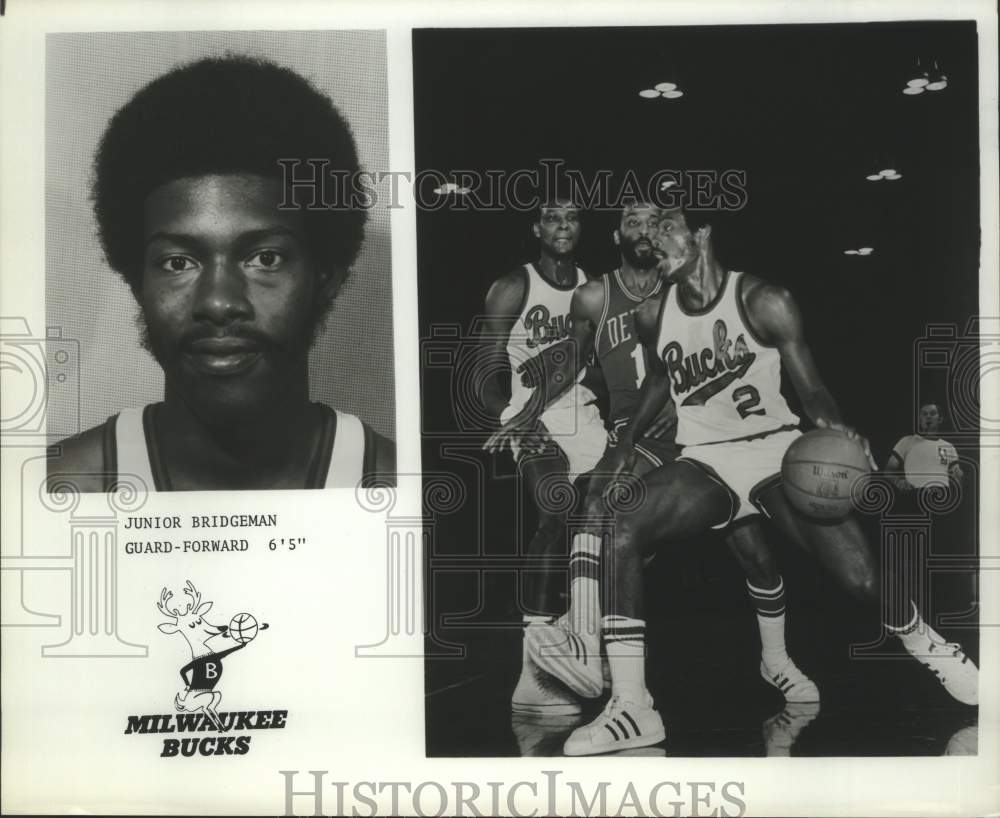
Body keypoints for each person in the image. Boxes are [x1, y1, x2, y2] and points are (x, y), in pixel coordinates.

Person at [561, 209, 979, 755]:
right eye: (645, 234)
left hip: (775, 451)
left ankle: (934, 648)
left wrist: (836, 426)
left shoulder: (762, 300)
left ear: (702, 233)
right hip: (704, 459)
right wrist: (620, 452)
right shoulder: (651, 315)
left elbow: (812, 392)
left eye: (665, 228)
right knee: (620, 527)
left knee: (862, 581)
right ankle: (634, 709)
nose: (652, 240)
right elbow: (658, 384)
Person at [489, 203, 818, 710]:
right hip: (635, 435)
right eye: (633, 223)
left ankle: (776, 660)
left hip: (701, 438)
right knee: (595, 505)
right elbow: (574, 361)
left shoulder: (681, 290)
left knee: (754, 553)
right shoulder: (594, 295)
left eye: (654, 223)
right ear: (616, 234)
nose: (644, 231)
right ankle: (582, 639)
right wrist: (526, 408)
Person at [46, 56, 394, 492]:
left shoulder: (406, 487)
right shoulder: (53, 492)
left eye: (265, 258)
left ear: (326, 275)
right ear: (137, 280)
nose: (218, 302)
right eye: (178, 262)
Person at [477, 199, 607, 716]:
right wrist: (506, 421)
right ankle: (530, 665)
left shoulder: (595, 288)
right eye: (552, 218)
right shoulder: (513, 285)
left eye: (572, 218)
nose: (562, 226)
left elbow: (598, 368)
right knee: (555, 506)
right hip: (529, 419)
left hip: (584, 417)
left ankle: (580, 639)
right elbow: (486, 370)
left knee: (604, 524)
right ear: (537, 227)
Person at [885, 401, 963, 491]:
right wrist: (899, 481)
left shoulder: (948, 447)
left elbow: (957, 476)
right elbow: (888, 470)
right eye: (924, 414)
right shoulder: (906, 441)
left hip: (942, 496)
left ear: (940, 419)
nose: (928, 416)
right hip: (915, 494)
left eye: (932, 413)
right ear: (920, 419)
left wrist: (959, 477)